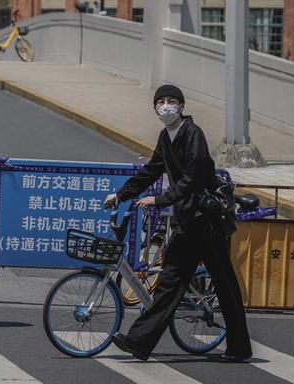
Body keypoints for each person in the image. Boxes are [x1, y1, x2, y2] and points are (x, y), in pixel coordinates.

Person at [105, 85, 252, 362]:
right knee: (170, 282)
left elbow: (193, 178)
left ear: (182, 106)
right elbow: (151, 170)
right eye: (160, 102)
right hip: (189, 223)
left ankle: (240, 347)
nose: (165, 106)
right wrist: (121, 195)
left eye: (171, 101)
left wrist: (159, 200)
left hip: (208, 222)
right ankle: (139, 342)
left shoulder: (192, 134)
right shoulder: (166, 136)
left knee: (224, 285)